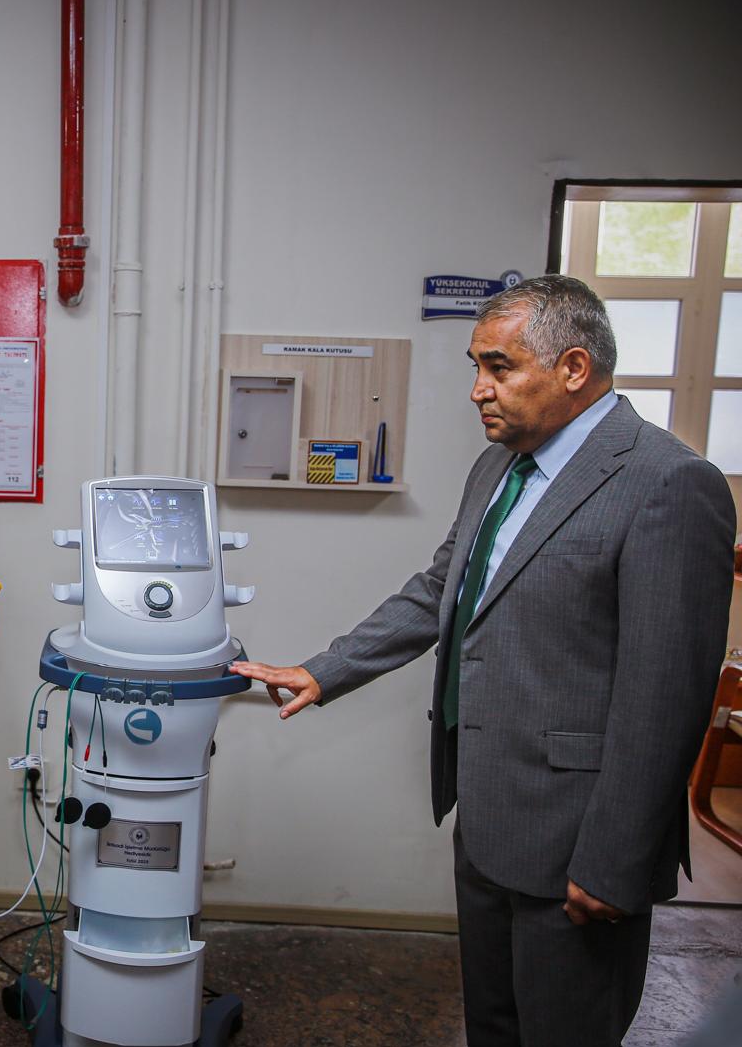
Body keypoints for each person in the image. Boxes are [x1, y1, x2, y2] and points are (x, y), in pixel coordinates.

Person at [232, 275, 734, 1046]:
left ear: (573, 368)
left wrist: (616, 861)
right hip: (490, 818)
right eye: (477, 367)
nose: (478, 390)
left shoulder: (667, 482)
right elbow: (444, 588)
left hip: (579, 840)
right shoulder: (500, 467)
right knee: (494, 1027)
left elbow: (666, 697)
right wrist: (327, 669)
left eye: (500, 367)